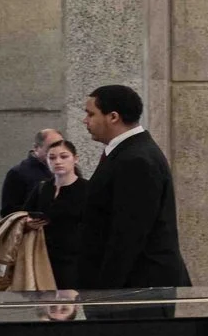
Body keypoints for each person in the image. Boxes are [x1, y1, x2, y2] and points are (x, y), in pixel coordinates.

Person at [76, 85, 191, 289]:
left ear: (113, 117)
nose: (85, 120)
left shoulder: (136, 160)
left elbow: (129, 233)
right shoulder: (127, 152)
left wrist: (105, 292)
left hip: (137, 287)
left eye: (91, 114)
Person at [25, 136, 89, 288]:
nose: (58, 162)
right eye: (52, 158)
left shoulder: (87, 189)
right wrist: (28, 223)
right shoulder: (42, 188)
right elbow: (23, 215)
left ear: (75, 159)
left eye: (64, 156)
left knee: (67, 299)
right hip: (42, 257)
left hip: (74, 261)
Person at [0, 128, 63, 217]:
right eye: (51, 147)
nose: (57, 151)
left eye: (60, 146)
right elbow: (8, 212)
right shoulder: (18, 173)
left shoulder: (70, 170)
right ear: (36, 148)